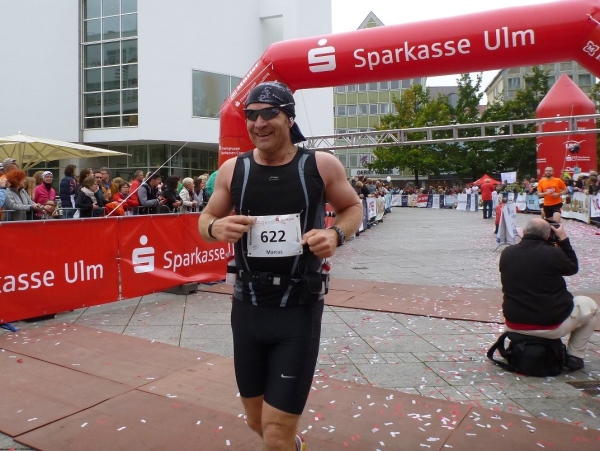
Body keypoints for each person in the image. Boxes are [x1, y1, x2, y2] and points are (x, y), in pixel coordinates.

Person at [198, 81, 362, 451]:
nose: (259, 123)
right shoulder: (232, 169)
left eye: (270, 113)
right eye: (251, 115)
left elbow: (352, 207)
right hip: (248, 308)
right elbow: (205, 219)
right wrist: (214, 228)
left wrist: (335, 234)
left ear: (289, 118)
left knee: (274, 434)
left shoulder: (320, 164)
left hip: (298, 309)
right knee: (256, 421)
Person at [499, 218, 599, 371]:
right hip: (548, 324)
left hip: (514, 323)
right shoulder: (553, 253)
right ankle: (575, 356)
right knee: (591, 307)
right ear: (547, 236)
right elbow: (572, 267)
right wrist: (563, 240)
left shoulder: (507, 253)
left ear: (524, 232)